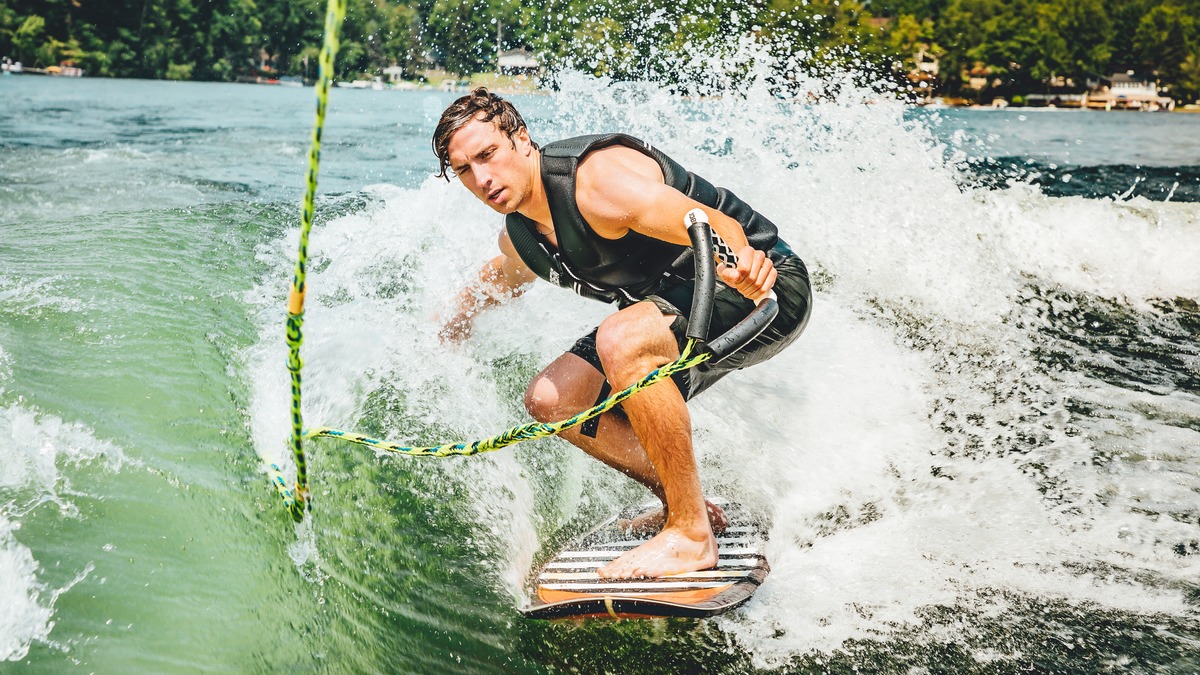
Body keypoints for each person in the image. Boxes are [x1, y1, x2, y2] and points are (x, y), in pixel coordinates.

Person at [433, 88, 811, 579]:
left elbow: (708, 223)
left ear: (521, 140)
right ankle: (686, 501)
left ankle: (691, 535)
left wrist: (740, 264)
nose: (482, 178)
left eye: (488, 154)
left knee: (621, 340)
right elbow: (504, 273)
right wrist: (455, 321)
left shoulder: (597, 183)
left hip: (766, 290)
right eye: (464, 169)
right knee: (553, 399)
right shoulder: (523, 233)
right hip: (679, 308)